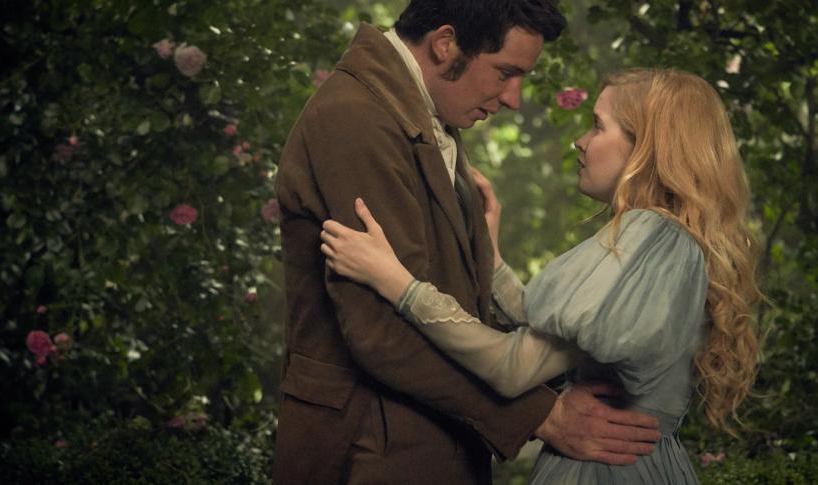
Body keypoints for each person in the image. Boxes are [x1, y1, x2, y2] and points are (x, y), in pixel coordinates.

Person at [272, 2, 662, 483]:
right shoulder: (357, 118)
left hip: (423, 442)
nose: (514, 98)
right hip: (371, 448)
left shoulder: (423, 110)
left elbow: (452, 295)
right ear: (445, 44)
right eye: (505, 72)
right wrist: (543, 416)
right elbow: (381, 330)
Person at [318, 68, 762, 483]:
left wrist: (396, 282)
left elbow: (511, 368)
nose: (581, 142)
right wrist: (491, 255)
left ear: (646, 149)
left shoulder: (648, 236)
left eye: (597, 126)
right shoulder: (671, 243)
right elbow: (558, 336)